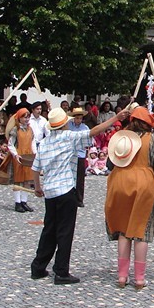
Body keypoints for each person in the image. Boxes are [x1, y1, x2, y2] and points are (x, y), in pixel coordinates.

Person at [31, 106, 128, 284]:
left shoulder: (44, 142)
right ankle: (61, 271)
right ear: (64, 124)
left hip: (50, 191)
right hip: (66, 189)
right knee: (65, 231)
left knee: (49, 229)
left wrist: (38, 187)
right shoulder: (68, 137)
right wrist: (116, 118)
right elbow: (94, 131)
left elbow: (36, 168)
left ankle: (38, 266)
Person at [104, 107, 154, 289]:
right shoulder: (152, 140)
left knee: (124, 230)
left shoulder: (121, 137)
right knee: (141, 231)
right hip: (143, 186)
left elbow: (109, 163)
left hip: (119, 183)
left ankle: (121, 276)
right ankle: (139, 279)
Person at [0, 108, 37, 213]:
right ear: (19, 118)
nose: (27, 119)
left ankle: (24, 202)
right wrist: (15, 155)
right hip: (19, 157)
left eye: (28, 117)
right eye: (24, 117)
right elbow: (11, 144)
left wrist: (35, 153)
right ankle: (17, 203)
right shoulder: (15, 130)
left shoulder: (30, 129)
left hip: (28, 156)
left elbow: (33, 142)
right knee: (18, 180)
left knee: (27, 180)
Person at [68, 107, 91, 208]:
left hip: (80, 154)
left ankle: (79, 199)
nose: (78, 120)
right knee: (69, 177)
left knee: (80, 179)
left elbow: (89, 140)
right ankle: (69, 198)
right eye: (77, 118)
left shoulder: (85, 128)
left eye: (80, 118)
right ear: (73, 118)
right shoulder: (69, 126)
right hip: (70, 154)